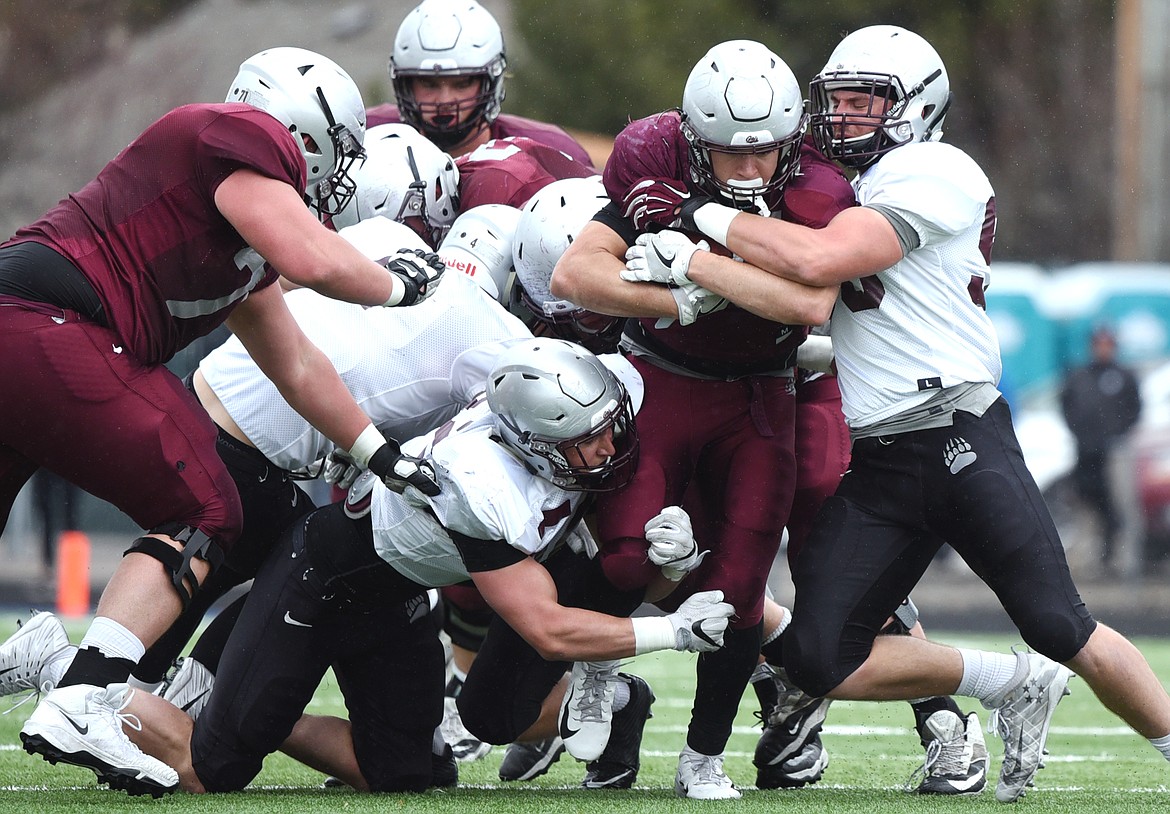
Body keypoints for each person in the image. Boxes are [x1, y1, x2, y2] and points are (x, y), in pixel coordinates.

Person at [611, 24, 1170, 803]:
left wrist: (695, 231)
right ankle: (1009, 683)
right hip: (880, 460)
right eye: (836, 99)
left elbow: (816, 264)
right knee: (813, 657)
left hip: (957, 434)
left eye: (866, 100)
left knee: (1058, 622)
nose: (844, 116)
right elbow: (840, 310)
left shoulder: (933, 169)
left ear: (919, 105)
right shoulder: (849, 188)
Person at [1, 46, 446, 795]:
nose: (336, 175)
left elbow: (299, 367)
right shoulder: (228, 135)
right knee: (205, 503)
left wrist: (377, 454)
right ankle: (85, 694)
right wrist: (396, 286)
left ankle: (49, 669)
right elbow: (312, 259)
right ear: (301, 134)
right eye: (336, 151)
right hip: (51, 322)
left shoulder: (236, 251)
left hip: (23, 330)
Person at [77, 338, 734, 796]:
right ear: (532, 444)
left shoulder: (563, 406)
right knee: (210, 770)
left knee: (409, 772)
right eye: (583, 441)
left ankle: (234, 708)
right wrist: (674, 629)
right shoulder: (484, 486)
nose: (606, 448)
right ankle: (68, 671)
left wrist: (668, 568)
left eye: (606, 428)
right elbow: (547, 630)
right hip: (318, 581)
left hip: (394, 600)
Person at [551, 39, 849, 799]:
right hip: (658, 377)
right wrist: (673, 304)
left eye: (765, 155)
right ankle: (597, 664)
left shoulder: (816, 181)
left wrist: (693, 255)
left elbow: (808, 303)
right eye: (729, 156)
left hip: (761, 391)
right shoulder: (650, 150)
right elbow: (575, 273)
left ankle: (703, 754)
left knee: (743, 585)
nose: (751, 172)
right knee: (624, 557)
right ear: (691, 141)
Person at [369, 0, 594, 166]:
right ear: (405, 84)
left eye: (462, 83)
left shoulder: (551, 152)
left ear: (491, 81)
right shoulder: (367, 137)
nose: (445, 100)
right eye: (429, 84)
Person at [1060, 325, 1141, 572]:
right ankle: (1090, 559)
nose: (1103, 349)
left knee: (1121, 503)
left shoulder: (1123, 376)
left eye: (1108, 344)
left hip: (1115, 450)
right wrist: (1080, 433)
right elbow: (1066, 405)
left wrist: (1116, 433)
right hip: (1085, 450)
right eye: (1099, 344)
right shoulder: (1080, 375)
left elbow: (1135, 409)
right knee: (1086, 503)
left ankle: (1126, 559)